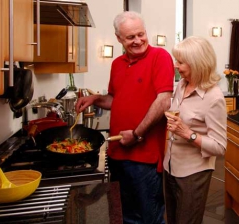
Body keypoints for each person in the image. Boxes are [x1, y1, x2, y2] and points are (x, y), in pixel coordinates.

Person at [75, 11, 174, 224]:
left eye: (141, 34)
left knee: (150, 218)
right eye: (130, 37)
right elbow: (114, 99)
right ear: (119, 38)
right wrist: (94, 99)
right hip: (117, 154)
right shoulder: (117, 64)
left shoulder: (160, 57)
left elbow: (164, 100)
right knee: (123, 215)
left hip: (144, 159)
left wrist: (137, 134)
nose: (138, 40)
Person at [164, 36, 227, 224]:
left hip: (194, 173)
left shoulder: (214, 98)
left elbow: (220, 147)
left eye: (180, 62)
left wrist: (188, 133)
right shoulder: (181, 85)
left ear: (196, 63)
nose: (176, 65)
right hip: (171, 167)